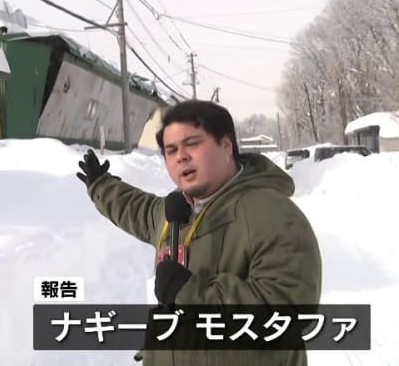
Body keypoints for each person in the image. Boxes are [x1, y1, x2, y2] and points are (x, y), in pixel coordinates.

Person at [76, 100, 322, 366]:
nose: (181, 156)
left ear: (226, 146)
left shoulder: (271, 213)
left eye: (192, 144)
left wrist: (190, 294)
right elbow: (141, 211)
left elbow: (290, 312)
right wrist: (101, 186)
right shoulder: (178, 210)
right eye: (171, 150)